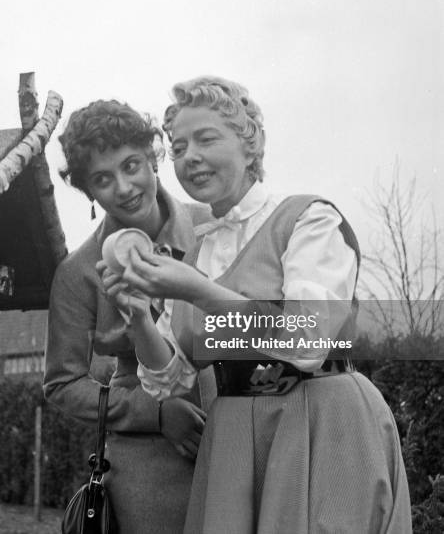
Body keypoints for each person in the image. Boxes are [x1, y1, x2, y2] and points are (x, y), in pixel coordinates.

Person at [101, 77, 412, 533]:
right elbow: (170, 378)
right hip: (231, 440)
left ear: (252, 146)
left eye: (206, 139)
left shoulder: (308, 219)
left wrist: (197, 291)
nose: (190, 157)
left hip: (319, 425)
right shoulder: (197, 254)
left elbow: (307, 340)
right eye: (180, 147)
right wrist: (136, 318)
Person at [43, 99, 213, 534]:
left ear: (153, 158)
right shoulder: (78, 272)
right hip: (147, 463)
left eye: (132, 165)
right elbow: (63, 385)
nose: (123, 187)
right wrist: (153, 413)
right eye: (103, 179)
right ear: (89, 193)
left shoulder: (214, 227)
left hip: (235, 433)